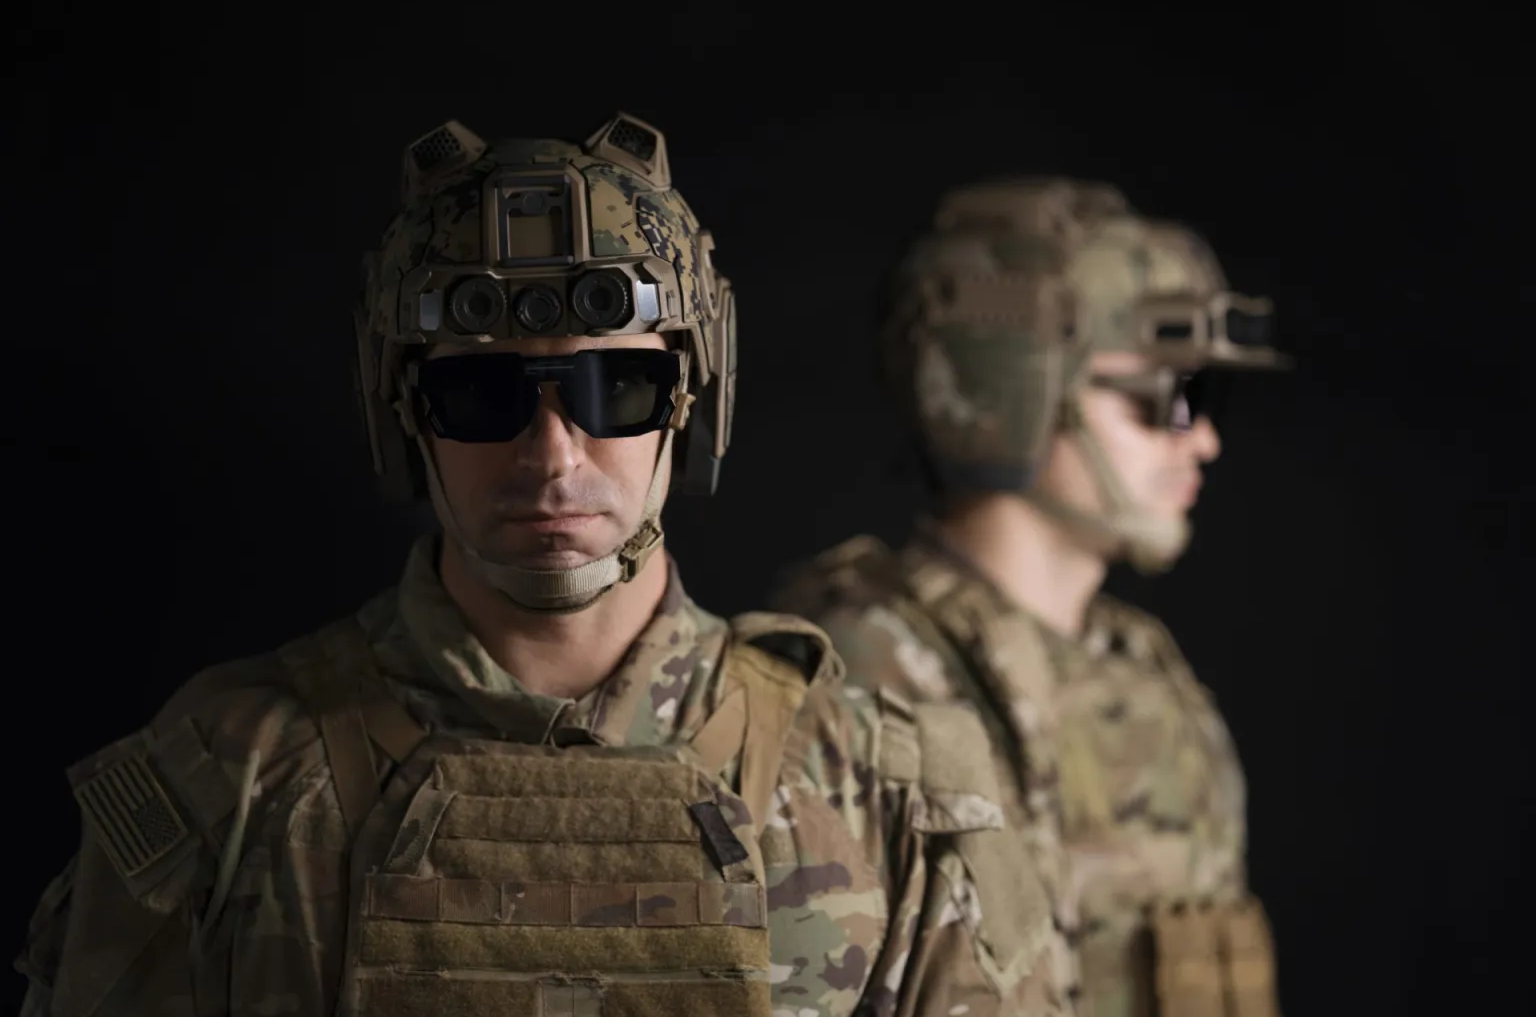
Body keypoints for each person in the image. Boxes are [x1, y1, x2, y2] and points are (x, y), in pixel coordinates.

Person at [15, 118, 1070, 1016]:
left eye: (618, 391)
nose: (553, 456)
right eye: (482, 396)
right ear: (407, 415)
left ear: (692, 403)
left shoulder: (883, 788)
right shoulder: (233, 775)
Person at [770, 177, 1290, 1017]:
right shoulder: (861, 676)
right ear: (1011, 393)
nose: (1203, 438)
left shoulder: (1147, 672)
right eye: (1169, 398)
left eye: (1209, 397)